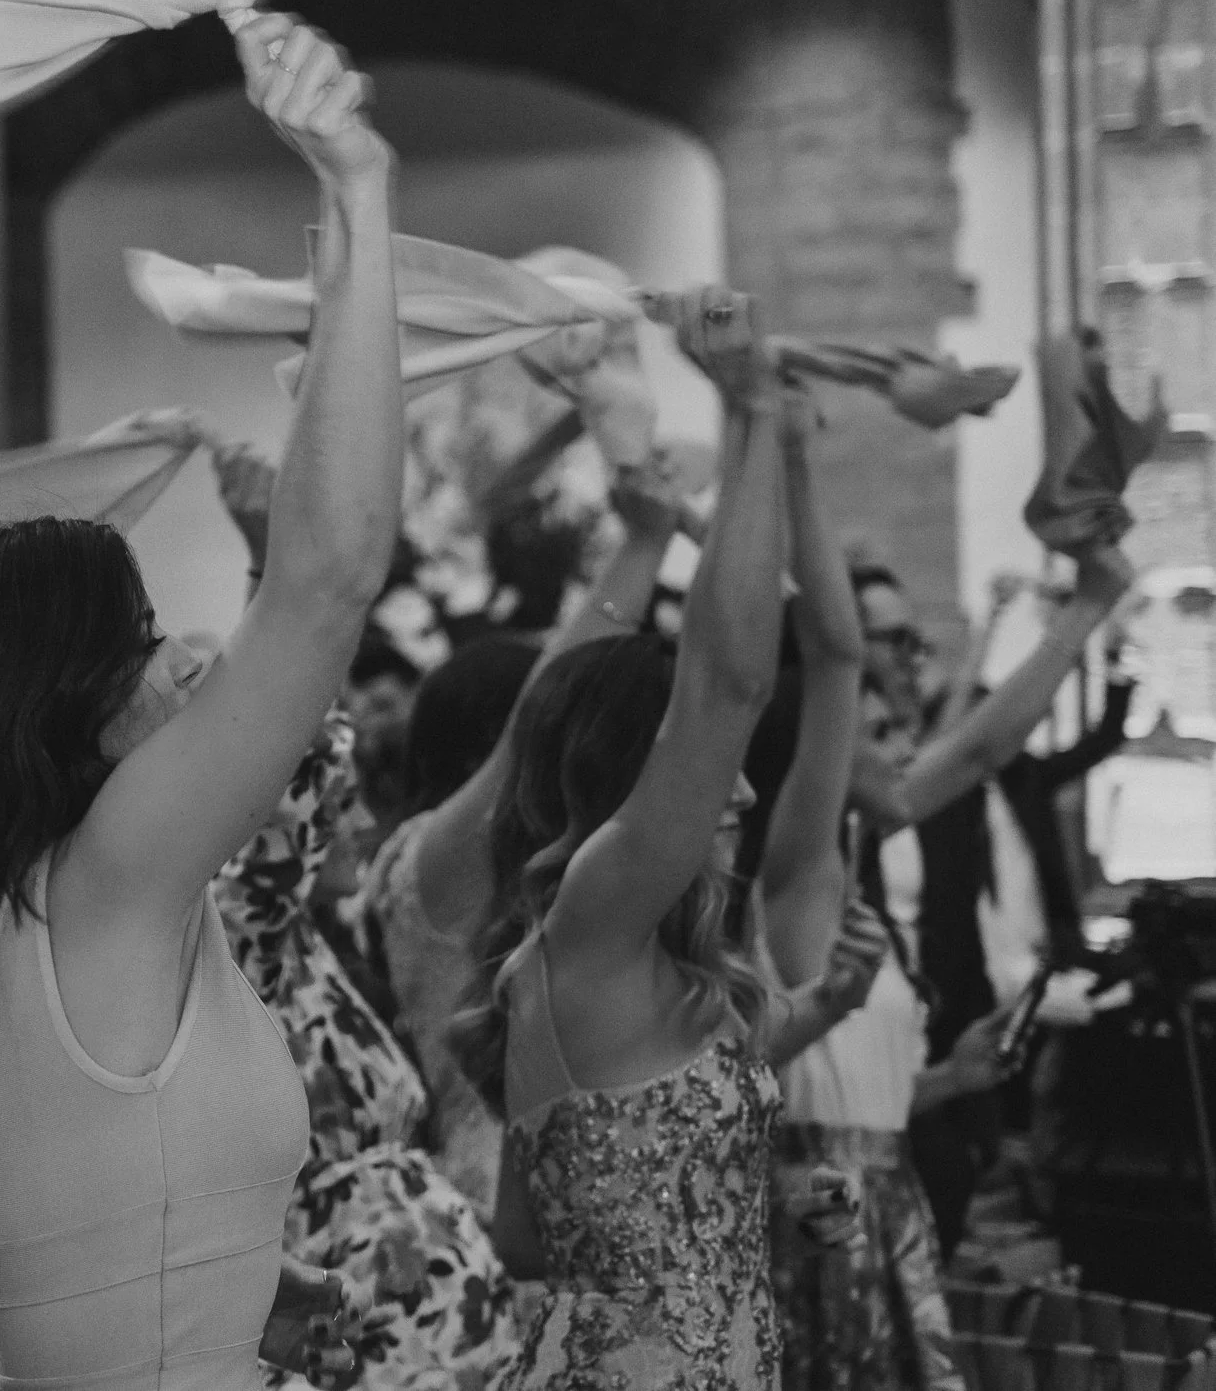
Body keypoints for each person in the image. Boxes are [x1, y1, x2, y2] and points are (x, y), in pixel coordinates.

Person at [0, 10, 399, 1391]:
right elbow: (328, 580)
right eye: (147, 638)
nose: (182, 667)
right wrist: (358, 194)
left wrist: (198, 1269)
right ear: (64, 700)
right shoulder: (112, 879)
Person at [448, 295, 856, 1391]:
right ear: (644, 784)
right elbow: (728, 682)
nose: (741, 793)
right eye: (710, 771)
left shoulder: (642, 962)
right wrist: (751, 410)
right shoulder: (589, 923)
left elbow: (529, 1238)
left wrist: (740, 1202)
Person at [353, 466, 684, 1217]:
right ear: (483, 748)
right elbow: (541, 715)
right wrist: (644, 545)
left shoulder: (529, 870)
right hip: (495, 1196)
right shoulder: (426, 861)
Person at [746, 386, 964, 1391]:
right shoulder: (800, 857)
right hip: (825, 1220)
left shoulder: (826, 852)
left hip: (876, 1213)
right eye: (864, 724)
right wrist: (786, 452)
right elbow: (832, 651)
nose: (894, 738)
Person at [845, 543, 1134, 1255]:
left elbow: (978, 748)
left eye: (917, 640)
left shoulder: (887, 797)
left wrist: (1089, 611)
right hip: (845, 1161)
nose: (914, 656)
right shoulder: (805, 839)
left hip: (920, 1071)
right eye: (896, 640)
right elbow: (973, 745)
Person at [215, 706, 514, 1388]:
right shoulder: (239, 944)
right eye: (341, 805)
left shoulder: (307, 950)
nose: (364, 824)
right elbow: (285, 776)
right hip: (346, 1350)